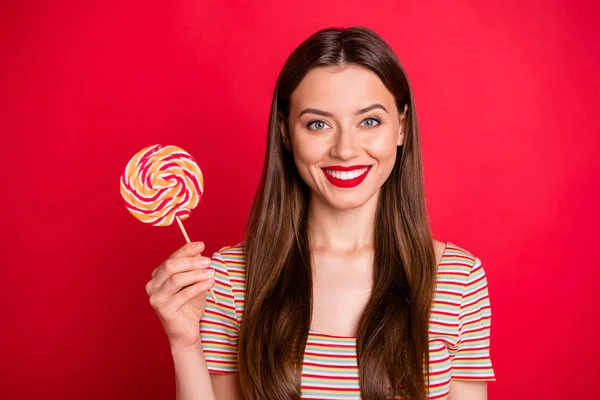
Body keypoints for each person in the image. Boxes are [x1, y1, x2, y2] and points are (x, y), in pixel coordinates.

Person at [145, 26, 495, 400]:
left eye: (369, 121)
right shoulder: (230, 279)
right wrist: (185, 344)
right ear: (285, 134)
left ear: (402, 127)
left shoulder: (458, 279)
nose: (345, 149)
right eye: (318, 124)